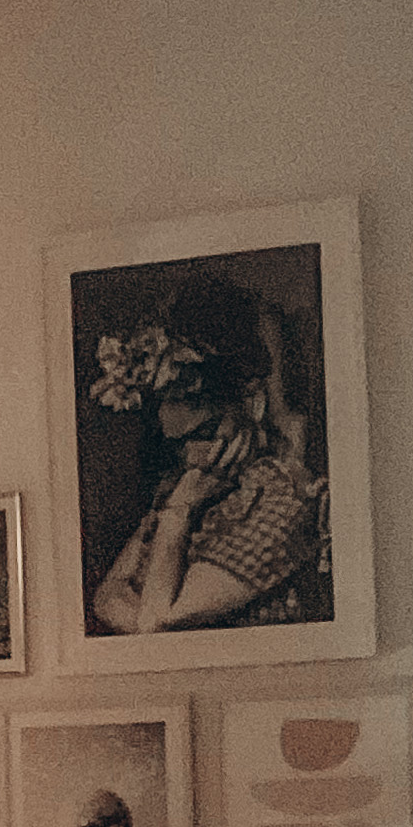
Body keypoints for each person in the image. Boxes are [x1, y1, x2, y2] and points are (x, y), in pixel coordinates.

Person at [87, 270, 323, 633]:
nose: (192, 455)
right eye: (179, 444)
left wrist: (179, 513)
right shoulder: (186, 485)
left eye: (205, 432)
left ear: (251, 408)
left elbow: (158, 622)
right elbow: (105, 598)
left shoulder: (282, 500)